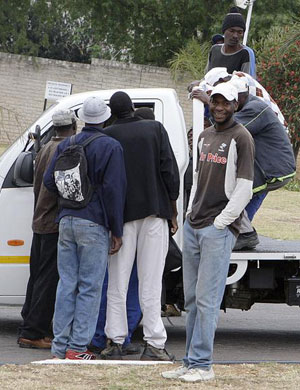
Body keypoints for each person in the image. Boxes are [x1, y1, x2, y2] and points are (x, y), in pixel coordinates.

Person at [162, 82, 255, 382]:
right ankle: (190, 362)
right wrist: (190, 213)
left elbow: (245, 187)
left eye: (225, 102)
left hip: (217, 229)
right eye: (215, 101)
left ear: (235, 105)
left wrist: (222, 222)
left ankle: (203, 365)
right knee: (190, 300)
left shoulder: (242, 137)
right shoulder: (204, 136)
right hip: (194, 225)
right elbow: (198, 179)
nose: (219, 107)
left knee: (207, 300)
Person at [44, 96, 127, 360]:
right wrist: (117, 230)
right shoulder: (111, 146)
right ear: (105, 118)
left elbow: (49, 181)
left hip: (66, 220)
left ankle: (59, 347)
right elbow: (115, 191)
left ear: (81, 118)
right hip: (94, 223)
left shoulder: (66, 144)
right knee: (90, 287)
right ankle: (77, 349)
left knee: (66, 284)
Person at [100, 91, 180, 361]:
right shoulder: (155, 129)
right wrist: (173, 208)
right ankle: (155, 343)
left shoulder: (108, 135)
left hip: (121, 218)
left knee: (118, 282)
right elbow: (169, 169)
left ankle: (115, 341)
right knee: (151, 281)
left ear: (111, 111)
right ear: (133, 108)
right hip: (155, 213)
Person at [18, 109, 77, 349]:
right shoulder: (65, 149)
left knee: (37, 277)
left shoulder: (44, 148)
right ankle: (34, 332)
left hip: (39, 220)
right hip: (53, 222)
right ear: (73, 125)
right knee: (47, 279)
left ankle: (28, 324)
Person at [229, 76, 296, 249]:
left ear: (244, 96)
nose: (232, 105)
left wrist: (208, 102)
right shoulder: (249, 105)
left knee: (228, 191)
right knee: (236, 192)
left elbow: (229, 130)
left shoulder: (255, 108)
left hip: (274, 170)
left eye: (234, 100)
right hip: (266, 167)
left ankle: (246, 234)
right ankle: (242, 231)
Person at [205, 7, 256, 78]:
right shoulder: (214, 50)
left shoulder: (245, 53)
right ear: (224, 31)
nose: (235, 36)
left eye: (240, 32)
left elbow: (248, 82)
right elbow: (207, 77)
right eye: (231, 31)